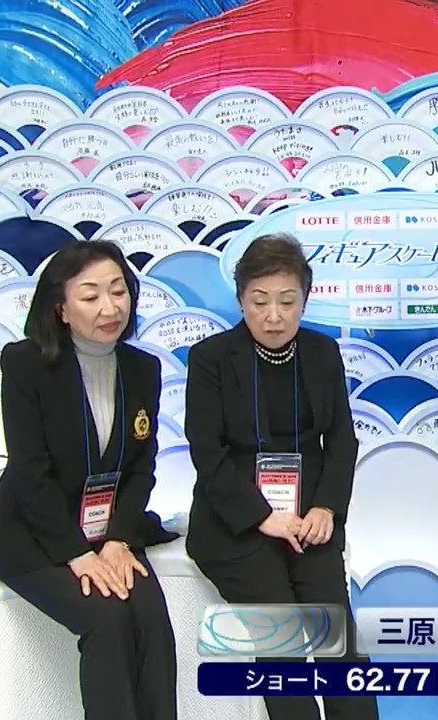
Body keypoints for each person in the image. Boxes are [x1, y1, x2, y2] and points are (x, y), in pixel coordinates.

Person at [184, 232, 379, 720]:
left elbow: (342, 439)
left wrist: (326, 507)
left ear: (305, 300)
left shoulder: (321, 352)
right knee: (282, 638)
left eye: (287, 302)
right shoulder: (211, 359)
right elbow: (207, 452)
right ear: (240, 300)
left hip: (308, 522)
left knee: (339, 638)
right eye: (260, 301)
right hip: (237, 526)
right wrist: (261, 517)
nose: (274, 316)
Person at [0, 239, 179, 720]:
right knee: (107, 620)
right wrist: (77, 553)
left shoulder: (142, 369)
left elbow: (141, 467)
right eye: (91, 296)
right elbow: (30, 471)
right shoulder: (26, 364)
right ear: (62, 309)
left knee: (152, 623)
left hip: (107, 536)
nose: (110, 308)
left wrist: (117, 540)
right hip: (38, 538)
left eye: (119, 291)